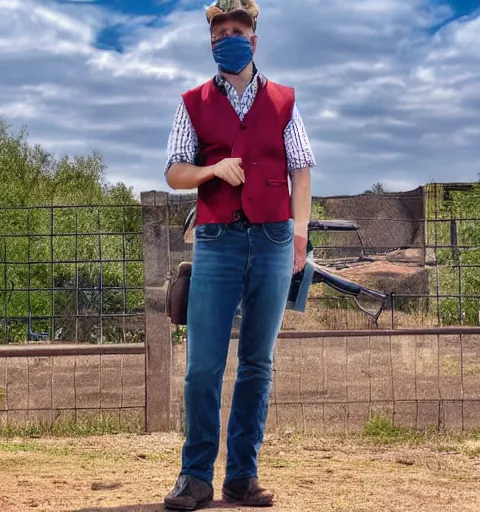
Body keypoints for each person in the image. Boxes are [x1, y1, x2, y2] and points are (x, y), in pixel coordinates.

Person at [163, 0, 315, 509]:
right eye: (219, 30)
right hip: (216, 241)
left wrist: (298, 237)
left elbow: (302, 169)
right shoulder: (192, 102)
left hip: (273, 241)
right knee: (203, 365)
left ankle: (241, 477)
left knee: (257, 362)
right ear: (211, 41)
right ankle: (196, 476)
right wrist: (212, 170)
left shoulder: (285, 100)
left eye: (237, 28)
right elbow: (174, 172)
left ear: (253, 37)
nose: (228, 35)